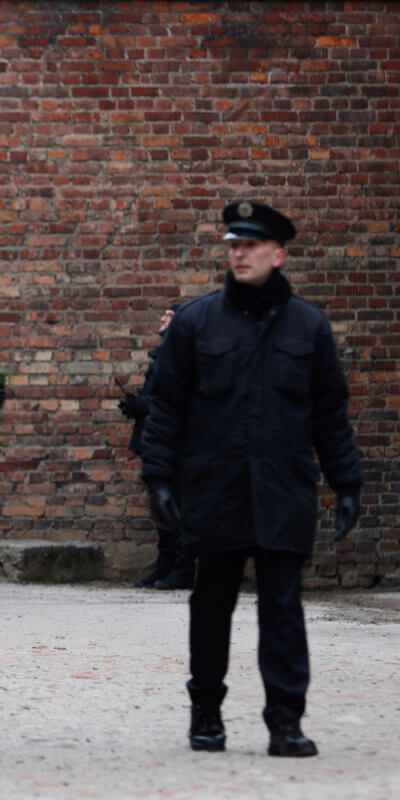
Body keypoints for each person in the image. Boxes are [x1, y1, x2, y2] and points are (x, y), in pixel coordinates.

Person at [140, 201, 363, 758]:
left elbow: (329, 415)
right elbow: (164, 408)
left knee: (283, 610)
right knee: (211, 606)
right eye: (233, 245)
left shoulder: (308, 327)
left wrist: (348, 483)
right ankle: (206, 711)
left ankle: (285, 720)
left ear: (278, 254)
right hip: (215, 486)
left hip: (283, 487)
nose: (239, 253)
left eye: (251, 245)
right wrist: (160, 480)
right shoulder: (196, 322)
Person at [119, 305, 195, 590]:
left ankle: (183, 569)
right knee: (162, 509)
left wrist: (142, 406)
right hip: (160, 442)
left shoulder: (181, 356)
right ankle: (165, 568)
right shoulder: (167, 355)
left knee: (177, 506)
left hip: (175, 444)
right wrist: (137, 407)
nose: (162, 319)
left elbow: (173, 400)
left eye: (169, 316)